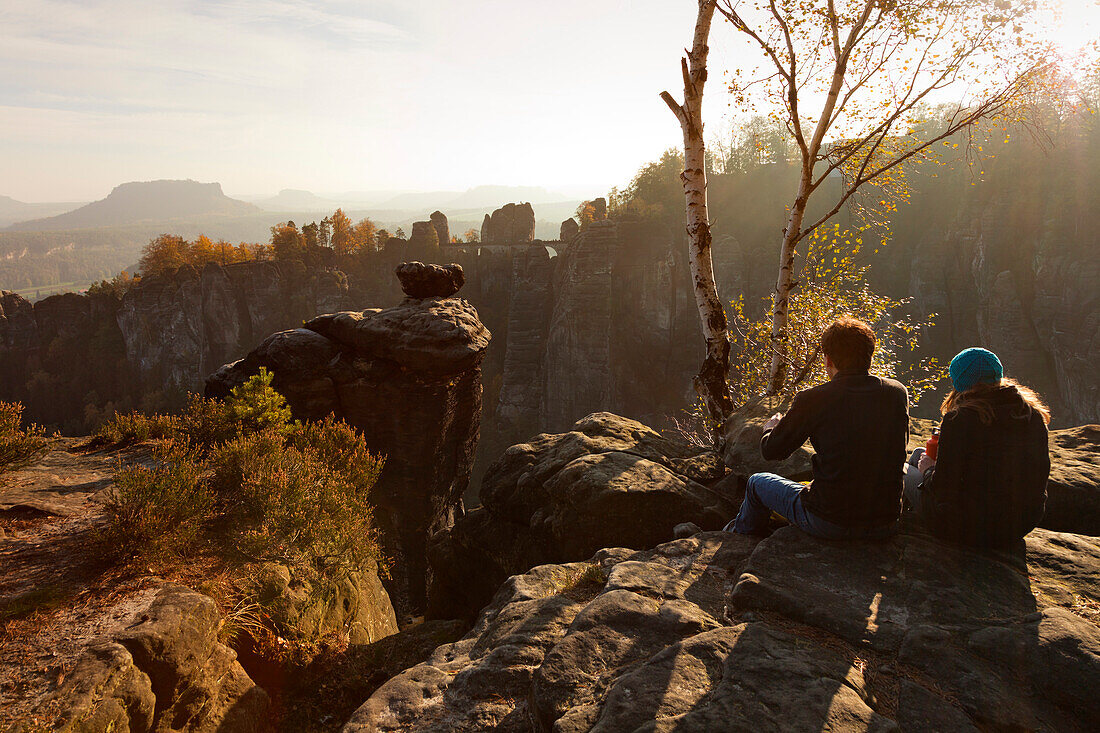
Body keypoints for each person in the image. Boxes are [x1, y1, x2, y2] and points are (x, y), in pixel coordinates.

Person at [726, 317, 909, 540]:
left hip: (831, 521)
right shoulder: (896, 393)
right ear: (869, 355)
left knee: (757, 483)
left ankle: (736, 540)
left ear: (828, 359)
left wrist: (770, 428)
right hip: (887, 521)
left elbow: (772, 451)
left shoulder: (814, 399)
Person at [904, 347, 1050, 547]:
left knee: (904, 469)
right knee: (920, 453)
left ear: (962, 382)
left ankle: (905, 527)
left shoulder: (961, 419)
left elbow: (943, 487)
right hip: (1019, 525)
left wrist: (929, 470)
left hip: (967, 527)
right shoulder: (1032, 415)